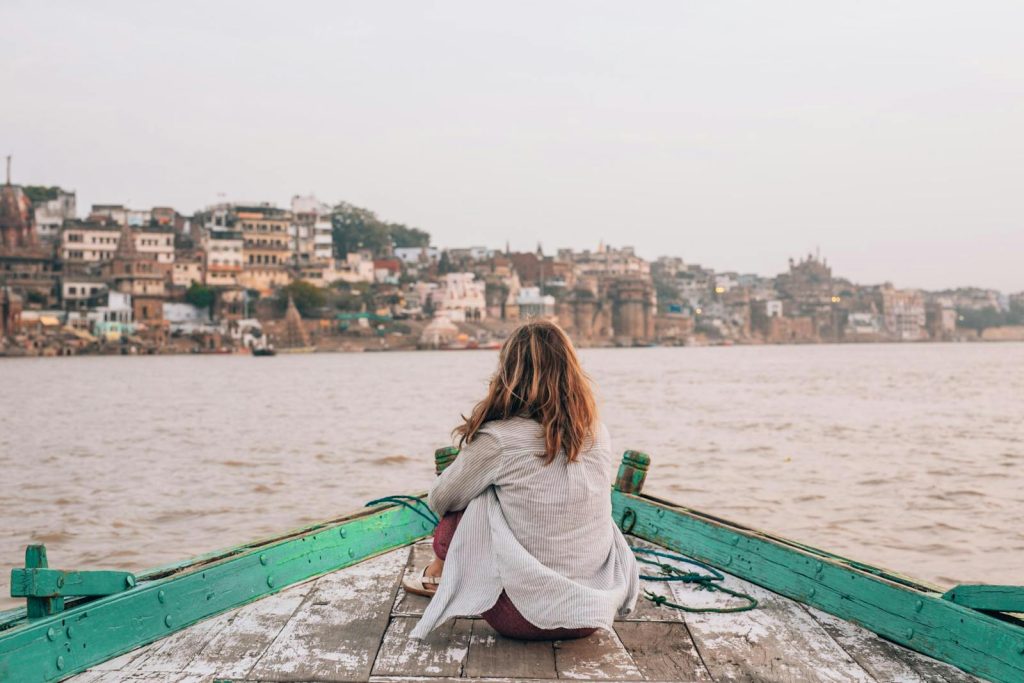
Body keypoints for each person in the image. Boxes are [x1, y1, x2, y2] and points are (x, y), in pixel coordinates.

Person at [406, 320, 639, 640]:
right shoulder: (597, 431)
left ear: (509, 373)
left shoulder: (499, 440)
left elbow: (440, 500)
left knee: (474, 497)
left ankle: (437, 573)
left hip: (520, 618)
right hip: (591, 614)